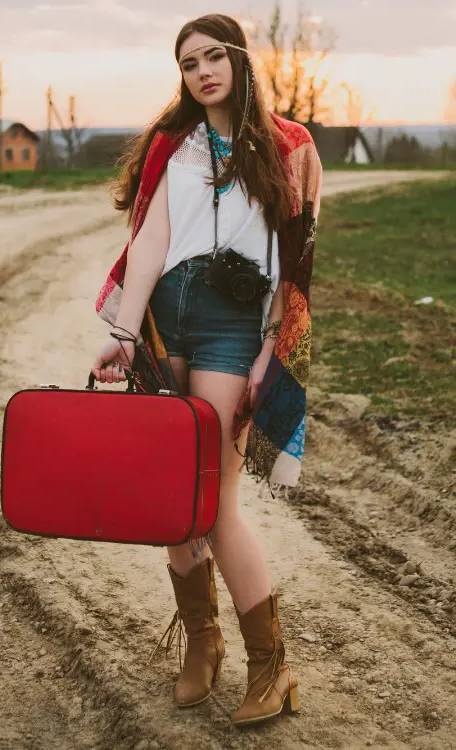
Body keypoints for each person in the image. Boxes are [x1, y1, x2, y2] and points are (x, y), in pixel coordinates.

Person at [91, 13, 322, 728]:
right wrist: (125, 334)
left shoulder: (290, 146)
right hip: (168, 321)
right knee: (172, 497)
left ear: (240, 59)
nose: (202, 71)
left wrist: (266, 359)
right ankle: (203, 642)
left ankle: (271, 666)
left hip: (231, 329)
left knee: (214, 507)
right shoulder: (174, 144)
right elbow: (152, 239)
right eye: (188, 63)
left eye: (213, 56)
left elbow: (295, 262)